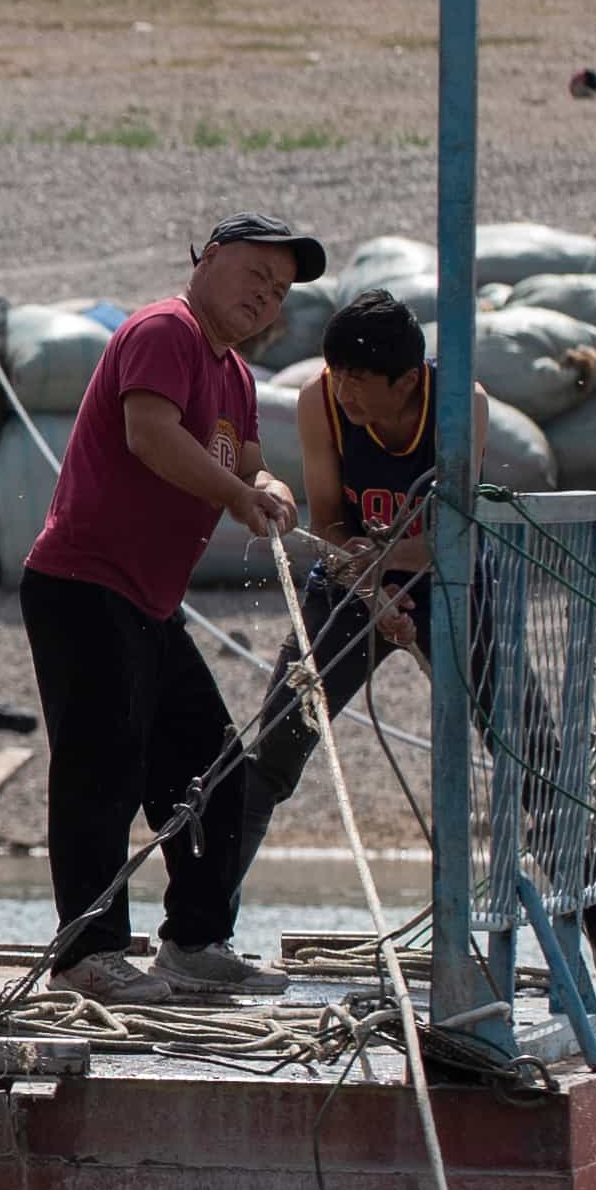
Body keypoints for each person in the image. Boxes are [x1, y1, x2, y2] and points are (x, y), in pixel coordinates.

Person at [11, 211, 316, 1001]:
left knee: (214, 770)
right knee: (100, 770)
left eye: (278, 292)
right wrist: (238, 499)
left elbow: (249, 463)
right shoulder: (164, 331)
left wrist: (271, 491)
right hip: (85, 585)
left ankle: (195, 940)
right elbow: (150, 435)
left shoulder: (236, 376)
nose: (265, 298)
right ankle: (87, 954)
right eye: (255, 275)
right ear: (210, 258)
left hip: (149, 601)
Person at [232, 283, 444, 868]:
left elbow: (457, 538)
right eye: (337, 373)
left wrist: (397, 572)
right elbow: (328, 519)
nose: (343, 391)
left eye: (359, 379)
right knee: (276, 747)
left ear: (405, 381)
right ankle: (199, 934)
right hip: (352, 577)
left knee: (530, 749)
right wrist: (374, 593)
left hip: (448, 583)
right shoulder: (318, 401)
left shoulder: (457, 404)